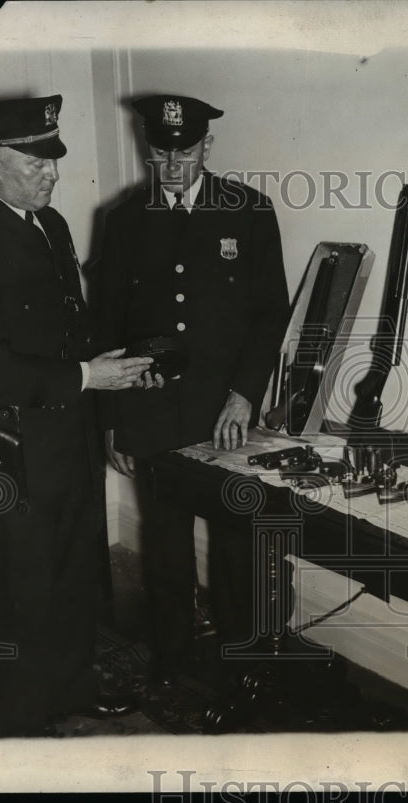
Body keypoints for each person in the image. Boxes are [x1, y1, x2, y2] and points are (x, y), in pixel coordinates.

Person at [0, 95, 153, 737]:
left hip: (64, 436)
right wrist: (86, 377)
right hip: (3, 449)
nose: (52, 173)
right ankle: (21, 729)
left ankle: (72, 687)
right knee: (17, 595)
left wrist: (117, 368)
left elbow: (69, 328)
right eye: (36, 162)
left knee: (73, 576)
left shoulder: (48, 224)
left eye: (54, 160)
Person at [92, 94, 290, 685]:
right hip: (149, 407)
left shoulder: (248, 211)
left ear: (207, 145)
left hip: (223, 410)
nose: (172, 165)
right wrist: (113, 420)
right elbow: (106, 327)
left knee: (236, 538)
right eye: (160, 153)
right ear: (147, 148)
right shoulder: (124, 219)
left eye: (185, 151)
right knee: (164, 540)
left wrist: (244, 395)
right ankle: (174, 661)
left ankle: (241, 662)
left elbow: (270, 314)